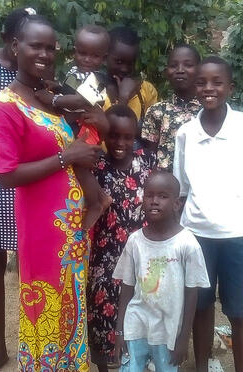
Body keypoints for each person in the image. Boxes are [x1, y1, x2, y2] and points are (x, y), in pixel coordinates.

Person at [0, 14, 100, 372]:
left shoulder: (45, 98)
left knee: (73, 306)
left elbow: (96, 118)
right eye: (35, 45)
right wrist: (66, 155)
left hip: (70, 230)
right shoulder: (6, 106)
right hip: (41, 229)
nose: (44, 53)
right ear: (15, 47)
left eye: (50, 48)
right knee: (46, 309)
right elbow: (6, 175)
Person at [173, 56, 243, 372]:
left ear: (231, 86)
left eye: (217, 82)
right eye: (201, 82)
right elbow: (182, 188)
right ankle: (202, 364)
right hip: (196, 235)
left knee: (239, 311)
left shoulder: (241, 127)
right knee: (199, 305)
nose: (208, 88)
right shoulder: (185, 133)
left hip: (237, 235)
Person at [113, 171, 210, 372]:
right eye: (149, 195)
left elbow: (192, 292)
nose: (154, 201)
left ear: (176, 203)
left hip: (168, 332)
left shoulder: (187, 244)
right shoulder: (135, 241)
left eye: (163, 196)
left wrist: (184, 338)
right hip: (136, 325)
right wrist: (120, 331)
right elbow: (127, 286)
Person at [87, 104, 156, 372]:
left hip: (142, 255)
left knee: (141, 308)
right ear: (105, 135)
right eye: (114, 135)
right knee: (103, 311)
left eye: (128, 137)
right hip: (105, 256)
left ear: (135, 136)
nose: (120, 142)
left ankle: (139, 361)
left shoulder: (147, 163)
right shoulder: (96, 166)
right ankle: (105, 366)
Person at [35, 24, 111, 230]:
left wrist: (52, 99)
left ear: (103, 59)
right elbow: (70, 89)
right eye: (82, 53)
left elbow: (79, 101)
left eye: (94, 56)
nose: (87, 59)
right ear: (74, 50)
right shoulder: (75, 71)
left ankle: (97, 202)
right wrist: (57, 86)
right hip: (77, 125)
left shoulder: (98, 79)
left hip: (88, 128)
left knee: (79, 163)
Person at [0, 7, 36, 371]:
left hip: (30, 176)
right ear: (13, 41)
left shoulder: (36, 72)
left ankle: (33, 339)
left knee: (31, 264)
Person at [141, 44, 201, 170]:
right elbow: (149, 156)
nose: (180, 70)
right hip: (164, 185)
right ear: (166, 72)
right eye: (174, 65)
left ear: (200, 70)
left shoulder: (207, 111)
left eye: (188, 65)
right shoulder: (156, 111)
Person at [103, 26, 158, 149]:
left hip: (138, 165)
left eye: (130, 63)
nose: (125, 69)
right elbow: (112, 134)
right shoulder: (93, 89)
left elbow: (153, 137)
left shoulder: (146, 91)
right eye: (119, 62)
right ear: (105, 58)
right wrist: (123, 98)